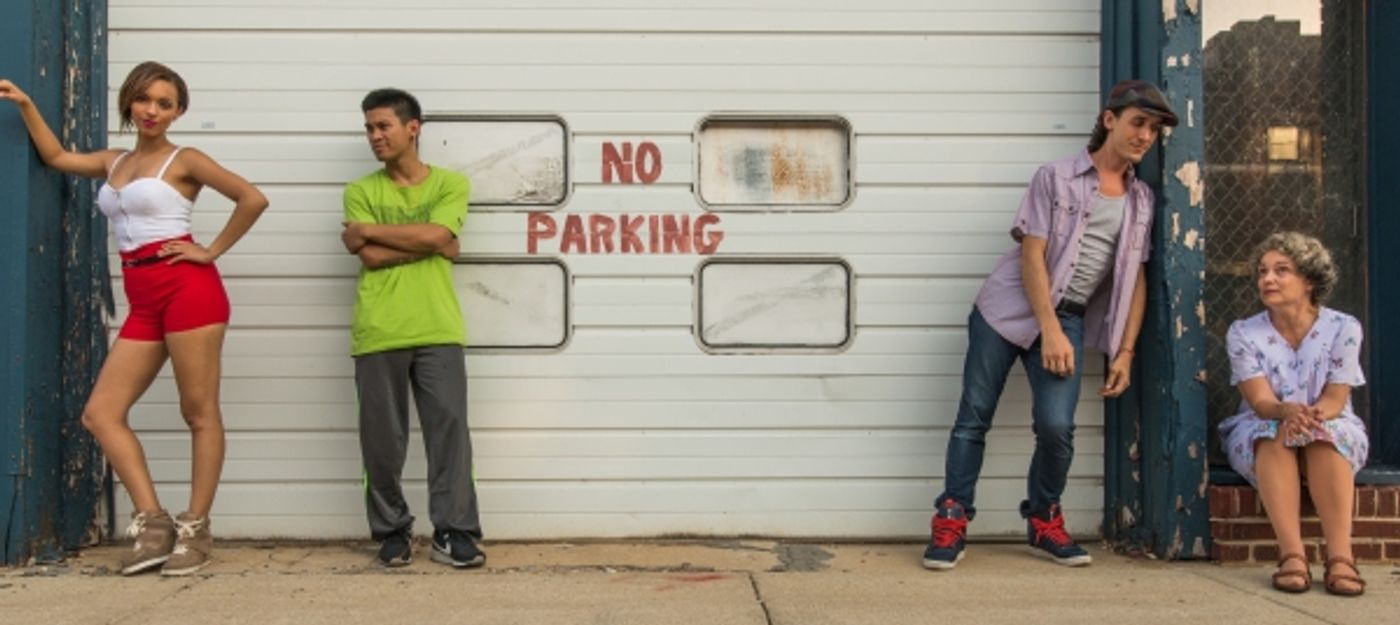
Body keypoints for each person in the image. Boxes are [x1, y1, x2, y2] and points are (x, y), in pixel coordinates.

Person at [0, 62, 268, 575]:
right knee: (101, 413)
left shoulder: (185, 159)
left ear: (178, 112)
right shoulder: (113, 161)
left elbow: (252, 198)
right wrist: (26, 103)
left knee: (198, 412)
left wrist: (210, 251)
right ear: (129, 101)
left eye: (165, 104)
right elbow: (56, 157)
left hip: (189, 291)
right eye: (144, 100)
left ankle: (196, 528)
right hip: (143, 299)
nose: (152, 111)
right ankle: (155, 524)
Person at [922, 80, 1177, 570]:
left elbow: (1137, 279)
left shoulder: (1142, 199)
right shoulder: (1055, 177)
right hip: (1006, 311)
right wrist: (1050, 330)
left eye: (1154, 129)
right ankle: (951, 517)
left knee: (1057, 427)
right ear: (1110, 120)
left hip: (1070, 317)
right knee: (974, 416)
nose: (1145, 136)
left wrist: (1124, 352)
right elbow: (1032, 255)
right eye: (1138, 123)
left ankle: (1043, 518)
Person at [340, 88, 484, 568]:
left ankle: (454, 532)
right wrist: (431, 243)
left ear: (412, 128)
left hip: (438, 327)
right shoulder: (360, 190)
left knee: (450, 435)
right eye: (369, 128)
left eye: (383, 126)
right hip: (379, 329)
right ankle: (392, 532)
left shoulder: (450, 183)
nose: (374, 136)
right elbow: (372, 255)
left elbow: (437, 234)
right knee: (382, 442)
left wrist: (372, 231)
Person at [1219, 232, 1368, 596]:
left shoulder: (1344, 328)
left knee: (1324, 439)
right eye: (1262, 271)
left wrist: (1309, 419)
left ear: (1309, 280)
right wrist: (1286, 412)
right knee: (1271, 436)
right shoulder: (1243, 333)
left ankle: (1341, 558)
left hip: (1328, 419)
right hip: (1263, 420)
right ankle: (1292, 557)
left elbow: (1335, 398)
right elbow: (1260, 401)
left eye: (1281, 270)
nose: (1267, 279)